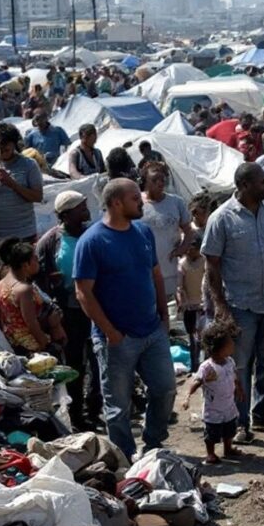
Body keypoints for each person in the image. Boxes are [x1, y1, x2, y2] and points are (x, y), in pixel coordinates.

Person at [74, 178, 177, 460]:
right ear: (116, 203)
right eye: (135, 198)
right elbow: (83, 293)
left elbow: (155, 274)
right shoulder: (93, 241)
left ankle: (153, 445)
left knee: (165, 388)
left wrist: (164, 315)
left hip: (152, 330)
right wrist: (110, 331)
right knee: (118, 405)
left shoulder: (143, 232)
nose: (141, 202)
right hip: (117, 338)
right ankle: (124, 456)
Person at [202, 163, 264, 443]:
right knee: (238, 366)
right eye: (263, 182)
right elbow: (212, 266)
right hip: (239, 305)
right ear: (244, 186)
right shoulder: (221, 219)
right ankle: (239, 422)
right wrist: (220, 306)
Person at [35, 190, 101, 431]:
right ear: (67, 214)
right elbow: (37, 278)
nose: (86, 210)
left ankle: (94, 409)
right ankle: (77, 416)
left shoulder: (92, 234)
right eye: (81, 207)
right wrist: (51, 283)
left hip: (95, 307)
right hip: (69, 312)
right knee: (75, 365)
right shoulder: (51, 241)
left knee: (99, 360)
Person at [181, 318, 247, 465]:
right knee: (212, 433)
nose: (233, 346)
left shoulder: (229, 361)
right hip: (213, 408)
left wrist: (240, 389)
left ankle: (228, 448)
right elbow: (197, 382)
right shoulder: (207, 367)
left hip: (228, 405)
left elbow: (234, 377)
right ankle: (210, 454)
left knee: (230, 429)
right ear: (219, 347)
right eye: (230, 343)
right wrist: (187, 397)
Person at [0, 124, 44, 249]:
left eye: (7, 149)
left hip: (23, 235)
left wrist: (12, 184)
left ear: (14, 145)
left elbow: (37, 196)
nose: (4, 152)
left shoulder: (29, 165)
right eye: (1, 148)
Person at [0, 238, 67, 355]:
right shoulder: (24, 290)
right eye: (35, 259)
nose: (38, 262)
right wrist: (46, 345)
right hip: (32, 346)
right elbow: (31, 323)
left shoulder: (0, 284)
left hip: (12, 343)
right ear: (25, 265)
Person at [140, 162, 193, 299]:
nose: (159, 183)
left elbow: (188, 230)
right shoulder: (138, 203)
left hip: (172, 269)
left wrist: (182, 249)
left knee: (174, 310)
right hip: (146, 270)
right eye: (154, 180)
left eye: (162, 180)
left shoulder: (176, 202)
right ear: (145, 181)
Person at [177, 232, 207, 372]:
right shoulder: (182, 264)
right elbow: (180, 287)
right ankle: (194, 366)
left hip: (203, 305)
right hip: (189, 305)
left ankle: (205, 364)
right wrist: (182, 302)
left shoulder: (205, 262)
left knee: (203, 335)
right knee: (191, 335)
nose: (189, 251)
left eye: (192, 248)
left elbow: (208, 282)